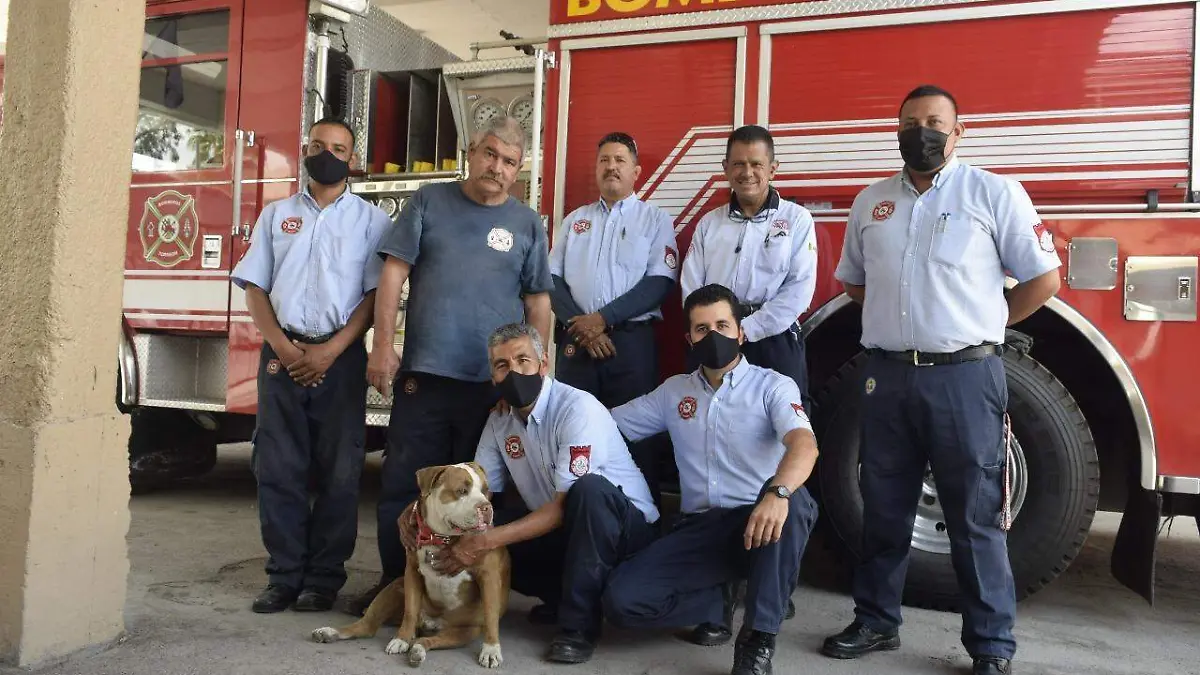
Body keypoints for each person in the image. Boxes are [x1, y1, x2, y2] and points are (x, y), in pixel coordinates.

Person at [820, 85, 1062, 675]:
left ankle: (990, 644)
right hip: (887, 378)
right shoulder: (871, 201)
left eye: (933, 122)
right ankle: (876, 620)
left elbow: (1043, 278)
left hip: (965, 378)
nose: (920, 132)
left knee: (974, 515)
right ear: (896, 129)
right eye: (910, 122)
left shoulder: (992, 192)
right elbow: (854, 280)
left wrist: (986, 322)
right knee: (883, 507)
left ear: (958, 132)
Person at [353, 116, 554, 615]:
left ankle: (464, 592)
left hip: (493, 390)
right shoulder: (428, 201)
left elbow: (539, 304)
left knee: (480, 497)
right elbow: (393, 273)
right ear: (471, 151)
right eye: (490, 154)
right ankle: (396, 588)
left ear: (520, 169)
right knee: (404, 485)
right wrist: (381, 345)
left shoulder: (527, 223)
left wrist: (536, 373)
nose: (497, 167)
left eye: (509, 161)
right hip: (426, 377)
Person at [397, 323, 660, 664]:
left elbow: (566, 506)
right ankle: (564, 598)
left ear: (544, 364)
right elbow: (476, 492)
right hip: (567, 529)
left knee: (587, 492)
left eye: (523, 360)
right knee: (484, 532)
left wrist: (485, 541)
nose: (514, 372)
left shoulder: (576, 408)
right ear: (493, 375)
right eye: (502, 365)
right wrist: (422, 511)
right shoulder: (499, 421)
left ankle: (578, 629)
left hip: (625, 530)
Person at [602, 283, 820, 675]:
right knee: (622, 600)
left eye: (722, 324)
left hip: (758, 525)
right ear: (689, 338)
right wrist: (541, 404)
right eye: (702, 329)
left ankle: (757, 641)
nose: (714, 335)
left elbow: (805, 445)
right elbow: (604, 424)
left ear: (740, 331)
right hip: (698, 529)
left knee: (795, 502)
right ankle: (717, 601)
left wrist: (778, 492)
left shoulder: (772, 386)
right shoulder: (674, 392)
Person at [231, 117, 393, 613]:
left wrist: (331, 350)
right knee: (278, 470)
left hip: (338, 360)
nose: (328, 154)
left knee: (340, 473)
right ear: (305, 150)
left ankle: (323, 579)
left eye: (339, 148)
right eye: (319, 146)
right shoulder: (277, 216)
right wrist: (281, 346)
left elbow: (374, 296)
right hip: (281, 357)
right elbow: (256, 287)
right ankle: (283, 576)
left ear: (352, 158)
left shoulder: (372, 221)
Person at [548, 131, 678, 506]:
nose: (611, 167)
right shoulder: (576, 221)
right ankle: (576, 521)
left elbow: (659, 282)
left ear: (637, 171)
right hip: (577, 344)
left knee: (637, 439)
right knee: (575, 436)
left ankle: (642, 525)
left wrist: (602, 319)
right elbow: (550, 281)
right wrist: (585, 329)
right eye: (604, 160)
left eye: (620, 160)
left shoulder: (654, 220)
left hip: (631, 347)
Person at [680, 124, 817, 407]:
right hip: (715, 340)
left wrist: (747, 329)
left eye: (756, 164)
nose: (747, 173)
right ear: (726, 168)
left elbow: (799, 290)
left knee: (781, 427)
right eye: (739, 164)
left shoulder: (797, 220)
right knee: (711, 420)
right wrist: (716, 331)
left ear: (772, 169)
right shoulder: (709, 224)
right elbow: (691, 286)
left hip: (774, 339)